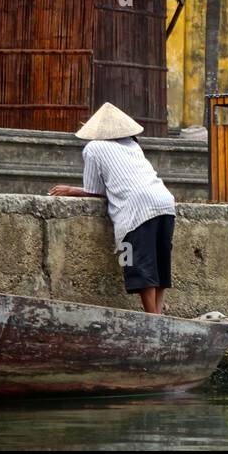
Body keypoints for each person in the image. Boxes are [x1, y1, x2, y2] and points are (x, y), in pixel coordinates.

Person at [50, 103, 177, 315]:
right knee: (161, 263)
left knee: (141, 265)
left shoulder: (93, 148)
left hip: (138, 208)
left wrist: (71, 189)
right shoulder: (133, 145)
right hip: (164, 201)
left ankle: (152, 318)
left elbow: (93, 190)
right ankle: (159, 314)